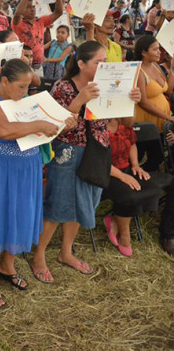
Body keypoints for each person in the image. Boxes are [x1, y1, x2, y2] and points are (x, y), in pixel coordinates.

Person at [32, 41, 141, 283]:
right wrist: (79, 100)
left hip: (97, 151)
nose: (103, 66)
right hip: (68, 151)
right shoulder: (63, 87)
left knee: (82, 204)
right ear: (81, 64)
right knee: (57, 204)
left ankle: (66, 253)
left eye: (105, 61)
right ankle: (39, 256)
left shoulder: (109, 85)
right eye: (98, 62)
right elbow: (54, 128)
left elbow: (126, 121)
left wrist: (132, 100)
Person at [0, 59, 74, 308]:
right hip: (0, 169)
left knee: (19, 217)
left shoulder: (27, 99)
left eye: (28, 87)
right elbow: (4, 131)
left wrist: (61, 124)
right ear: (4, 81)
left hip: (28, 167)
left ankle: (7, 265)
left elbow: (42, 131)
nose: (25, 92)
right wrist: (40, 124)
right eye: (20, 87)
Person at [103, 118, 162, 257]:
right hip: (105, 173)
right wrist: (122, 176)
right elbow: (98, 160)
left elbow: (133, 144)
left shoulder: (123, 123)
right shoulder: (98, 126)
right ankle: (125, 236)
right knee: (130, 193)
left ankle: (115, 219)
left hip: (125, 169)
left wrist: (135, 165)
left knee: (153, 188)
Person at [134, 35, 174, 170]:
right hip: (147, 120)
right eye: (155, 49)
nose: (159, 52)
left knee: (157, 155)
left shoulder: (156, 66)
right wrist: (169, 117)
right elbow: (143, 102)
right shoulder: (139, 71)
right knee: (145, 154)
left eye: (159, 49)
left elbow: (168, 90)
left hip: (161, 119)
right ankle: (137, 177)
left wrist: (172, 70)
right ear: (144, 52)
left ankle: (142, 177)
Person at [12, 0, 64, 77]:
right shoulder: (18, 23)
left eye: (33, 7)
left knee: (37, 89)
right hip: (22, 64)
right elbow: (17, 13)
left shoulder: (41, 21)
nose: (32, 9)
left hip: (39, 65)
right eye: (28, 7)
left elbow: (59, 12)